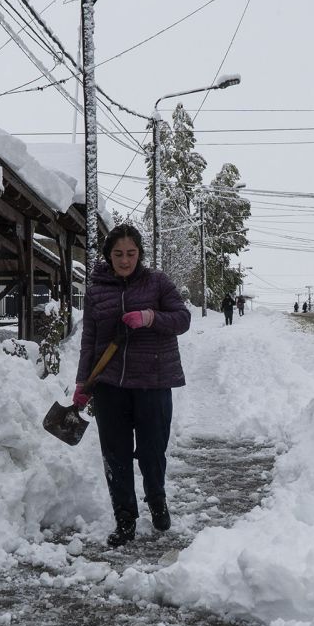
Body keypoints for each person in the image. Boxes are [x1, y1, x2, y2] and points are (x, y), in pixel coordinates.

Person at [73, 224, 191, 548]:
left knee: (152, 452)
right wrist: (83, 383)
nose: (125, 260)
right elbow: (89, 340)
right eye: (118, 254)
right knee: (116, 455)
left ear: (140, 253)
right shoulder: (97, 289)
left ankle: (157, 500)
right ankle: (124, 519)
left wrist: (150, 318)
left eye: (131, 254)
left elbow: (182, 319)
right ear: (108, 255)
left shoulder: (157, 282)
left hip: (153, 382)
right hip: (109, 384)